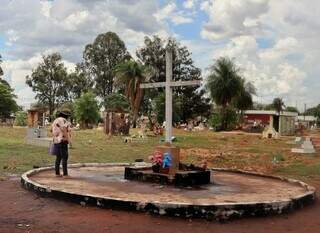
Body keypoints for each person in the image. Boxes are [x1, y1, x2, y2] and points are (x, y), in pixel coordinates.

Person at [52, 111, 71, 177]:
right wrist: (67, 138)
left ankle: (57, 173)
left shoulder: (55, 121)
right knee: (64, 157)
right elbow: (64, 129)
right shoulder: (64, 120)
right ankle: (65, 174)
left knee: (58, 157)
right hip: (63, 140)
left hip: (56, 140)